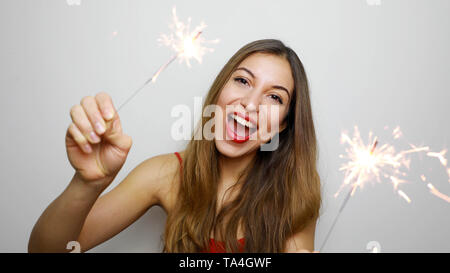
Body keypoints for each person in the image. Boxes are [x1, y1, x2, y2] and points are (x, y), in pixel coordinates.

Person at [28, 39, 321, 253]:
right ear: (219, 91)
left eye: (275, 98)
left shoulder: (295, 191)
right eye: (243, 81)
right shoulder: (165, 174)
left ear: (282, 124)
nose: (250, 103)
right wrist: (86, 183)